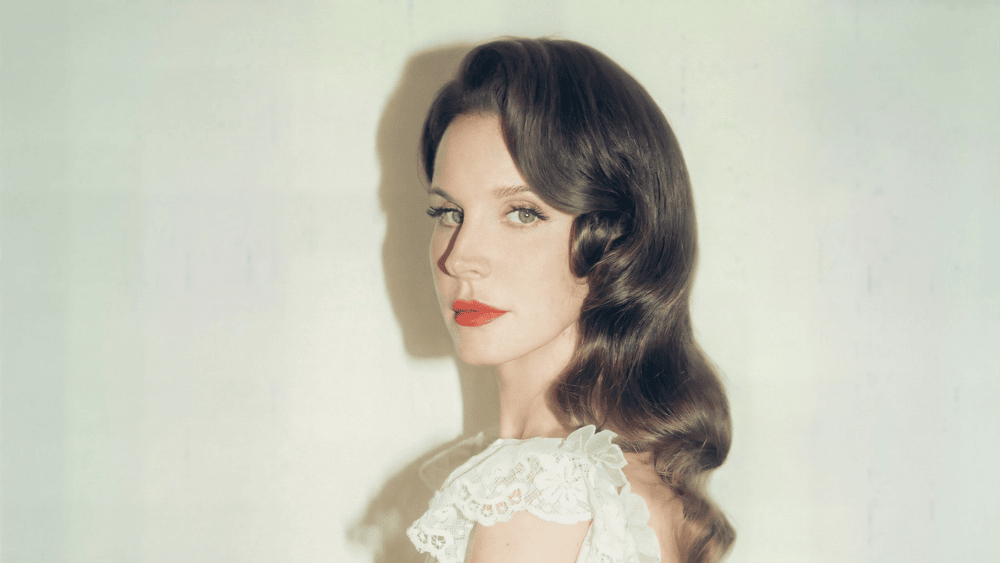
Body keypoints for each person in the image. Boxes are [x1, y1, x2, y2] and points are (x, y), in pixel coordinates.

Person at [406, 37, 734, 563]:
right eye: (448, 213)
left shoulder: (538, 499)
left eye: (522, 213)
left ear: (617, 238)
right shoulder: (627, 481)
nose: (459, 257)